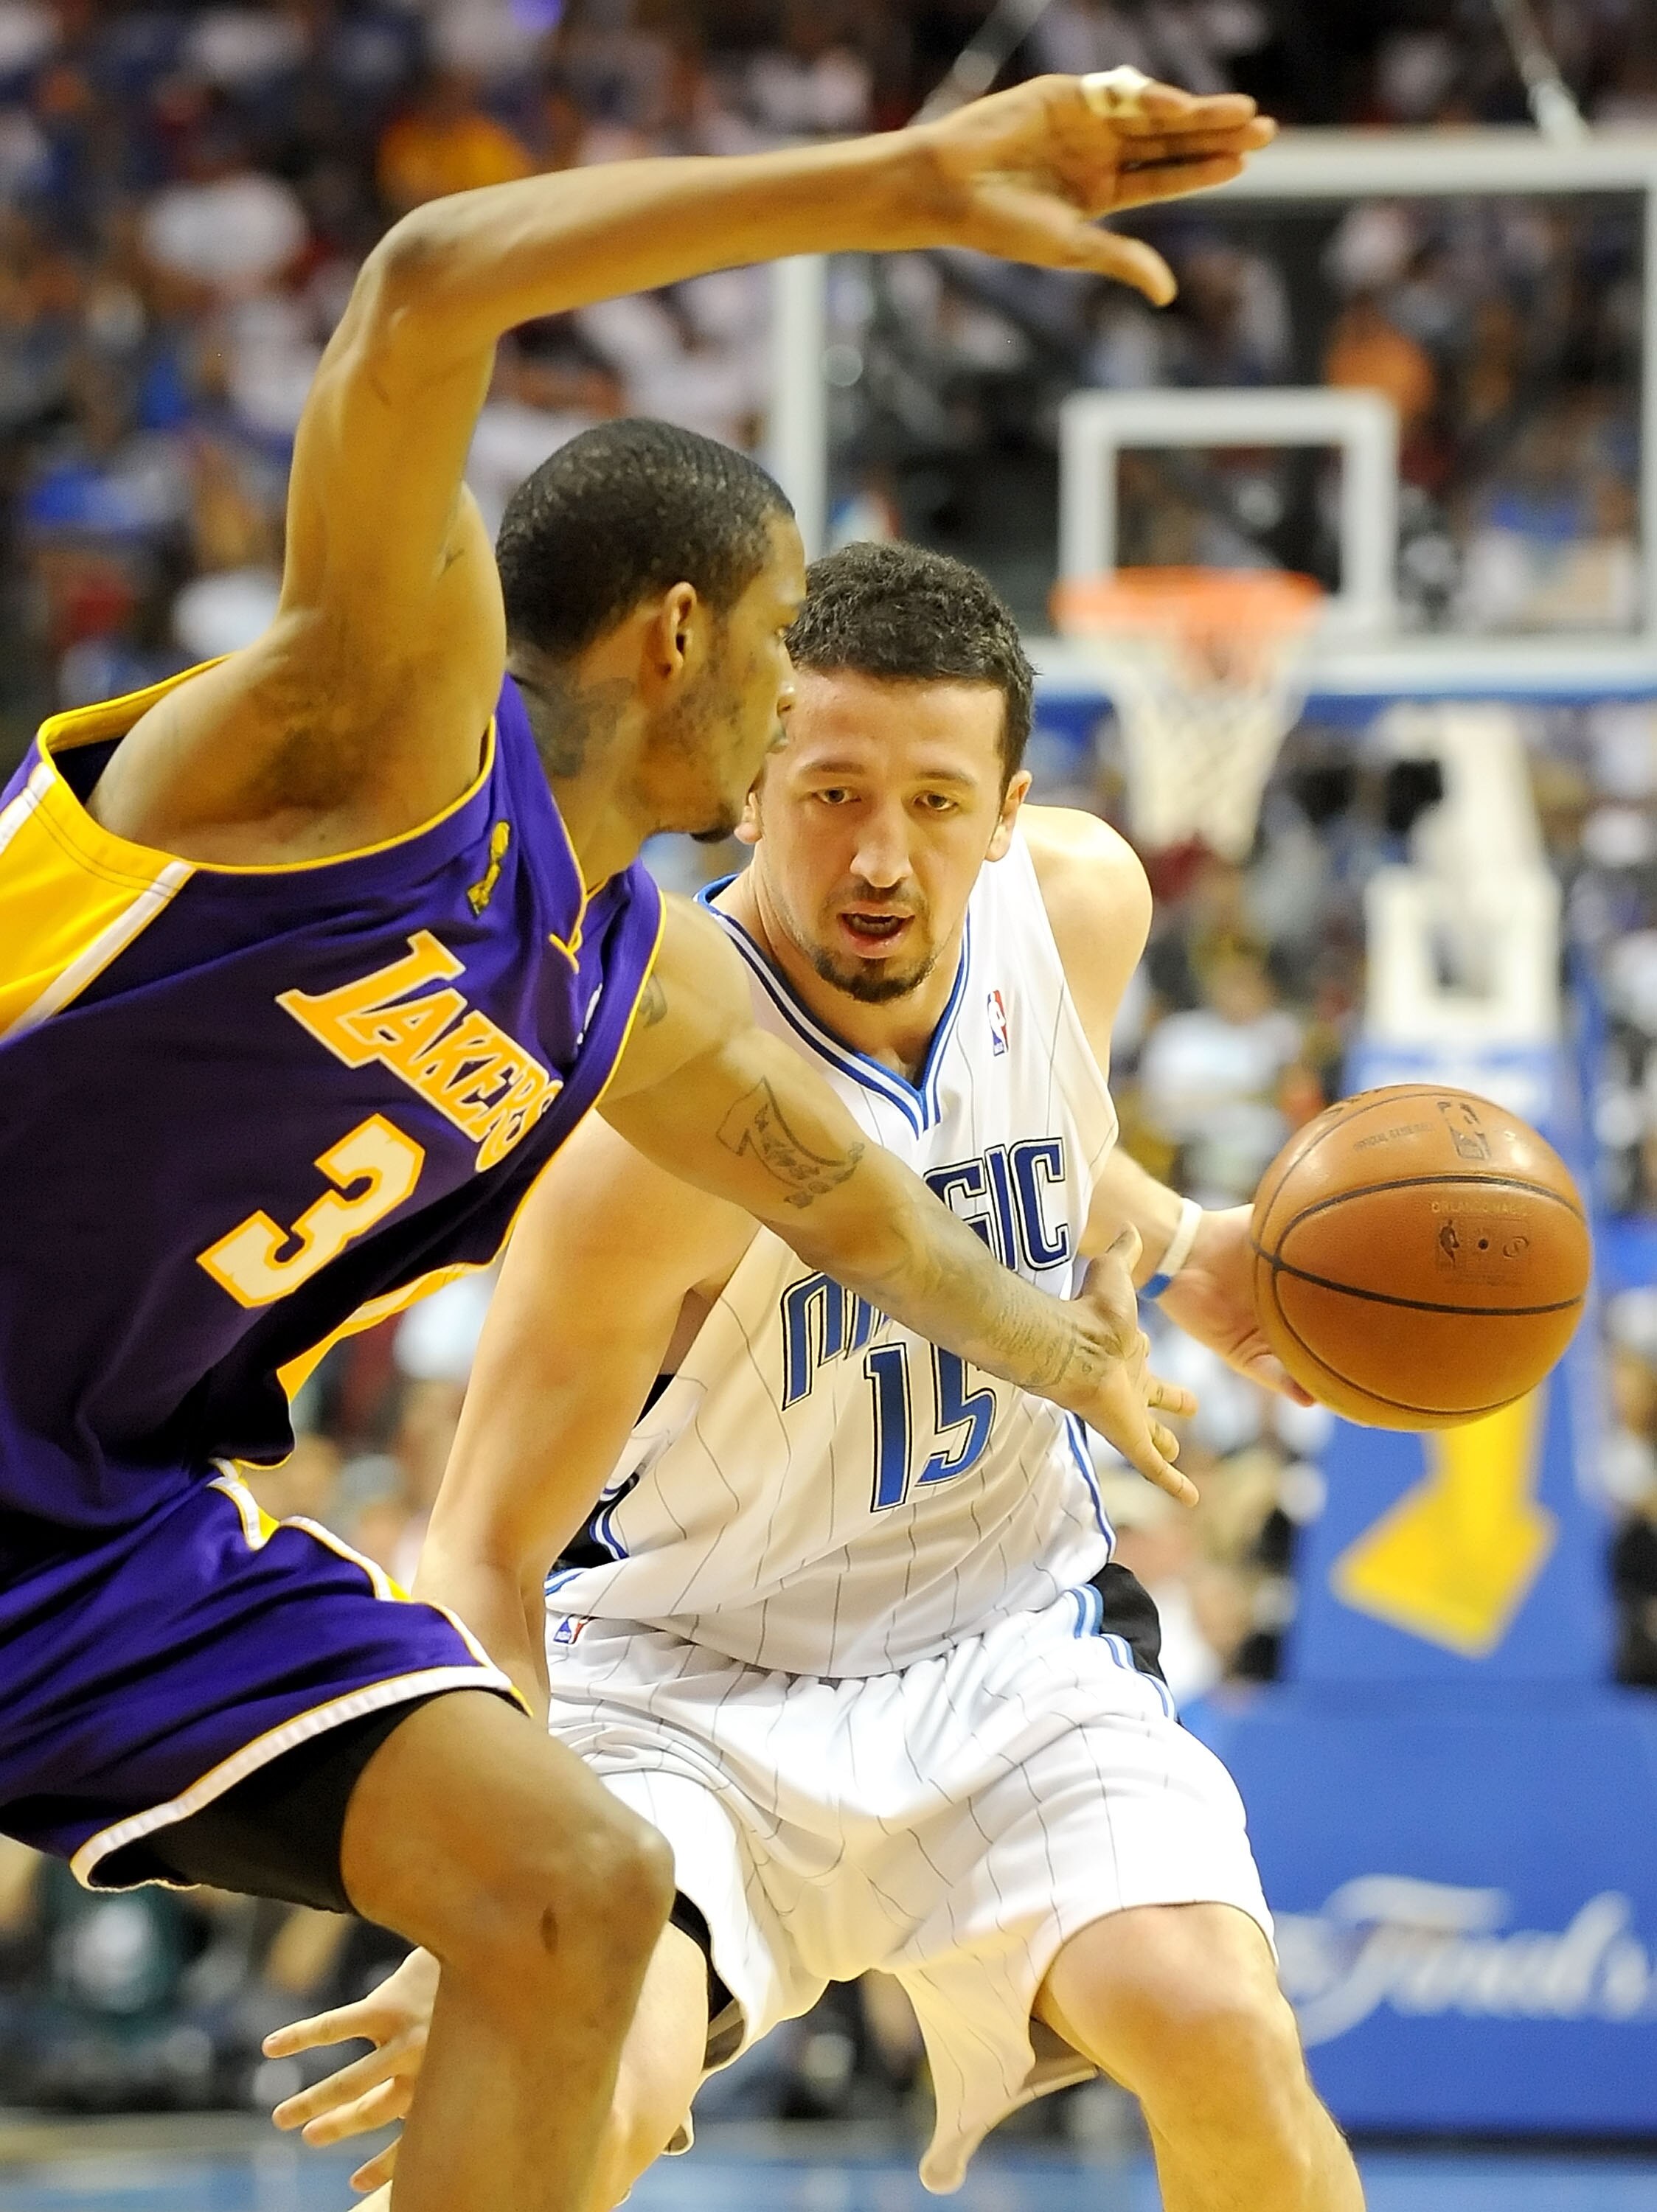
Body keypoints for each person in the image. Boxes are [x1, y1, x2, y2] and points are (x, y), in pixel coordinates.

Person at [0, 71, 1274, 2212]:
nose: (796, 709)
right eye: (784, 649)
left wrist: (1075, 1356)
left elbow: (852, 1201)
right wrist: (896, 187)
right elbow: (417, 292)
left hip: (95, 1515)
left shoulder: (621, 972)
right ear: (679, 633)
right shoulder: (391, 731)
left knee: (577, 1891)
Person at [270, 543, 1362, 2212]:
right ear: (754, 783)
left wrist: (1171, 1223)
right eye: (833, 789)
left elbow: (1017, 1142)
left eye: (934, 802)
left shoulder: (1079, 909)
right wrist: (478, 1902)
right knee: (568, 2097)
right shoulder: (652, 1133)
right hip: (679, 1692)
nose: (878, 856)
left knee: (1214, 2022)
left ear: (1007, 813)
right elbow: (482, 1545)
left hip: (1004, 1646)